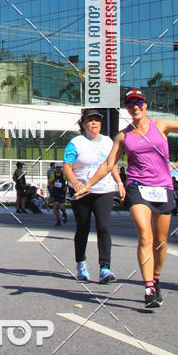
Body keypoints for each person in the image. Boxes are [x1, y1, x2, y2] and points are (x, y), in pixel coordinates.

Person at [75, 89, 178, 308]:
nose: (135, 106)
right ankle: (148, 287)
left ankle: (156, 278)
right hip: (138, 187)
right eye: (130, 104)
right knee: (144, 235)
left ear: (145, 105)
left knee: (161, 242)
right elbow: (108, 164)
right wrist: (88, 186)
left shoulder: (162, 125)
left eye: (138, 102)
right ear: (127, 108)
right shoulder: (123, 135)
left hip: (163, 187)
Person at [63, 109, 124, 283]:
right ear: (83, 124)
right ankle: (81, 263)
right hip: (82, 191)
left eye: (97, 120)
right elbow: (67, 166)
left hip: (104, 190)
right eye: (90, 120)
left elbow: (110, 165)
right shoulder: (75, 143)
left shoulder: (107, 142)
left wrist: (119, 183)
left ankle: (105, 268)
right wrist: (75, 182)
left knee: (103, 227)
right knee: (83, 228)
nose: (94, 123)